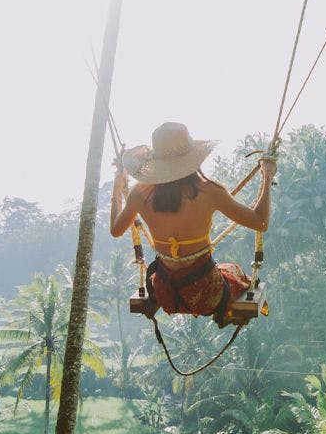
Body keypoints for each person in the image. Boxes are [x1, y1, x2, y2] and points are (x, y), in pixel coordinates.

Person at [110, 122, 275, 327]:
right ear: (192, 158)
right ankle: (227, 312)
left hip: (164, 293)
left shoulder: (139, 193)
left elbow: (116, 230)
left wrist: (117, 187)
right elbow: (260, 222)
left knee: (219, 272)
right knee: (234, 271)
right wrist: (267, 176)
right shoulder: (209, 192)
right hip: (205, 294)